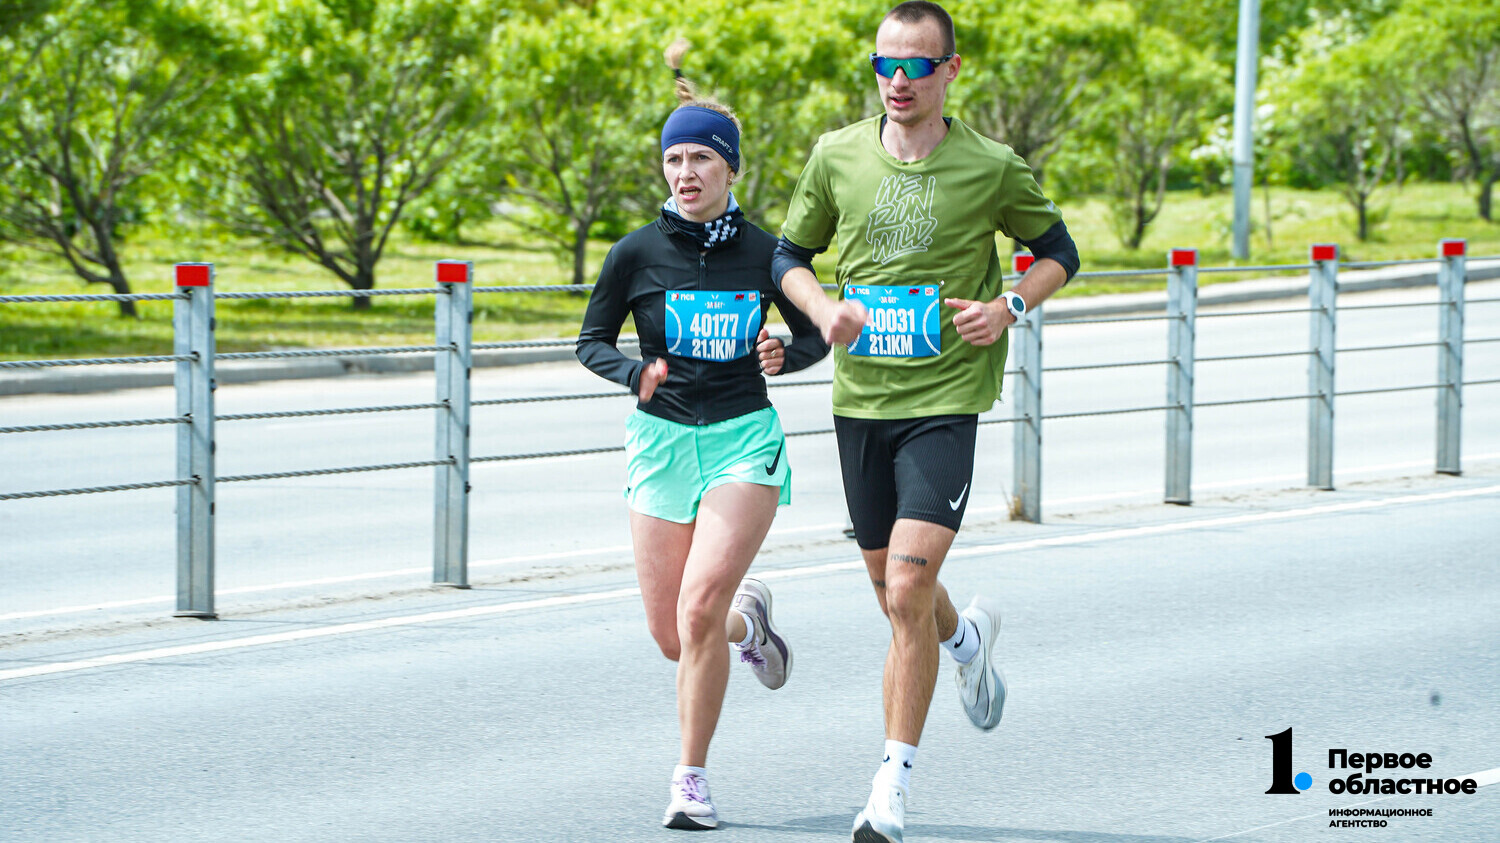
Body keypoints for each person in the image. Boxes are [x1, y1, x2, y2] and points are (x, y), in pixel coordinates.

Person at [771, 3, 1081, 841]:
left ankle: (889, 790)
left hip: (944, 399)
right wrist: (822, 310)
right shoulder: (837, 155)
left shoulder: (991, 165)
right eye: (885, 65)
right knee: (894, 594)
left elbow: (1060, 251)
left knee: (907, 588)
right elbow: (788, 257)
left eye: (916, 65)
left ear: (950, 70)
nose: (898, 81)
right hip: (861, 403)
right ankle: (968, 641)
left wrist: (1010, 304)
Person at [576, 41, 830, 832]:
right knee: (672, 635)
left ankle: (690, 779)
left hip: (742, 439)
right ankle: (749, 627)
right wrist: (633, 373)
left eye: (700, 159)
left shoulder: (767, 254)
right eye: (673, 159)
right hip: (660, 443)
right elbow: (590, 340)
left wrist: (787, 353)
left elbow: (814, 333)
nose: (685, 173)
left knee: (696, 612)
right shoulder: (635, 252)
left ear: (730, 168)